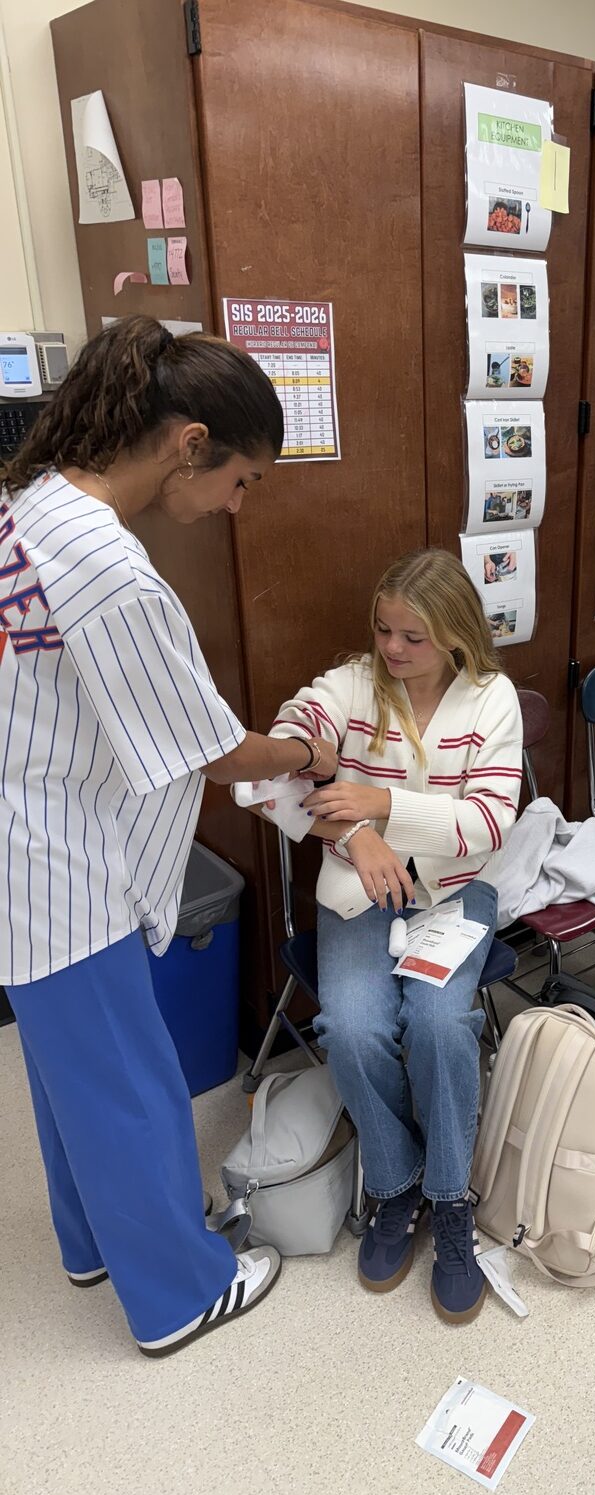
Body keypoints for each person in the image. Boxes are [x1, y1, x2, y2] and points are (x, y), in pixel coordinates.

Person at [0, 316, 341, 1355]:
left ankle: (93, 1241)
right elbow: (212, 749)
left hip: (30, 838)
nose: (235, 508)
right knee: (135, 1086)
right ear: (188, 443)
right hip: (64, 860)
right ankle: (180, 1292)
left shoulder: (33, 503)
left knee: (73, 1080)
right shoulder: (110, 567)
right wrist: (307, 756)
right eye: (239, 481)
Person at [266, 549, 521, 1323]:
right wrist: (358, 839)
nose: (393, 649)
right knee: (350, 1026)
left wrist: (377, 804)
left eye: (413, 636)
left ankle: (447, 1200)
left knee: (441, 1024)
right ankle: (395, 1181)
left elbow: (487, 824)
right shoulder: (347, 688)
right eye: (383, 630)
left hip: (451, 892)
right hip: (356, 895)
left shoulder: (490, 700)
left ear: (454, 634)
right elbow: (281, 763)